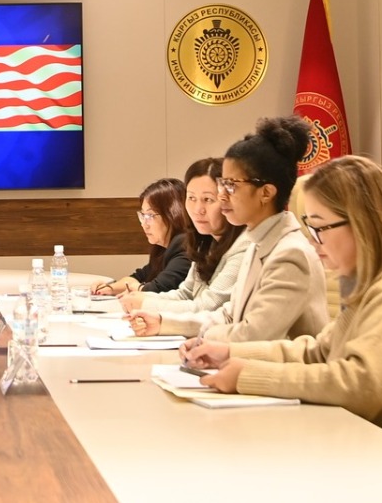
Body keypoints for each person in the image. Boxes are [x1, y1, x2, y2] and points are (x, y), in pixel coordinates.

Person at [182, 154, 382, 440]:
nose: (313, 241)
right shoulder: (369, 283)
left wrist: (250, 376)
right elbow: (318, 353)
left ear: (361, 224)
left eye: (320, 227)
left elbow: (358, 385)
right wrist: (230, 353)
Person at [132, 118, 328, 343]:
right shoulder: (257, 243)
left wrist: (200, 340)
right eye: (222, 184)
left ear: (266, 193)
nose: (222, 195)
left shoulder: (290, 253)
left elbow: (254, 334)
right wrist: (162, 323)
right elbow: (228, 315)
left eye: (231, 185)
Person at [123, 157, 251, 331]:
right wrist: (142, 299)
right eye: (191, 198)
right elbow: (186, 293)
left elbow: (208, 306)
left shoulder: (243, 245)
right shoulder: (206, 242)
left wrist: (146, 303)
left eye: (208, 199)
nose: (198, 209)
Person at [92, 178, 193, 296]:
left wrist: (136, 288)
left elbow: (159, 288)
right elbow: (138, 277)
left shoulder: (184, 245)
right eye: (143, 215)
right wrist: (109, 288)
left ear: (173, 213)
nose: (144, 224)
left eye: (150, 215)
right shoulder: (162, 249)